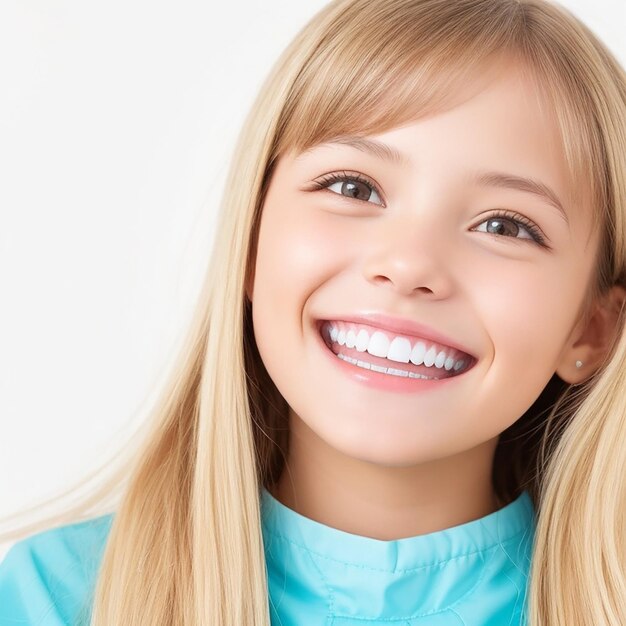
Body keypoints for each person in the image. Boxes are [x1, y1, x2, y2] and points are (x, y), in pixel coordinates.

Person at [2, 0, 626, 624]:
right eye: (353, 187)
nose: (409, 265)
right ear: (250, 242)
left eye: (505, 225)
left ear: (591, 329)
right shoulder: (48, 600)